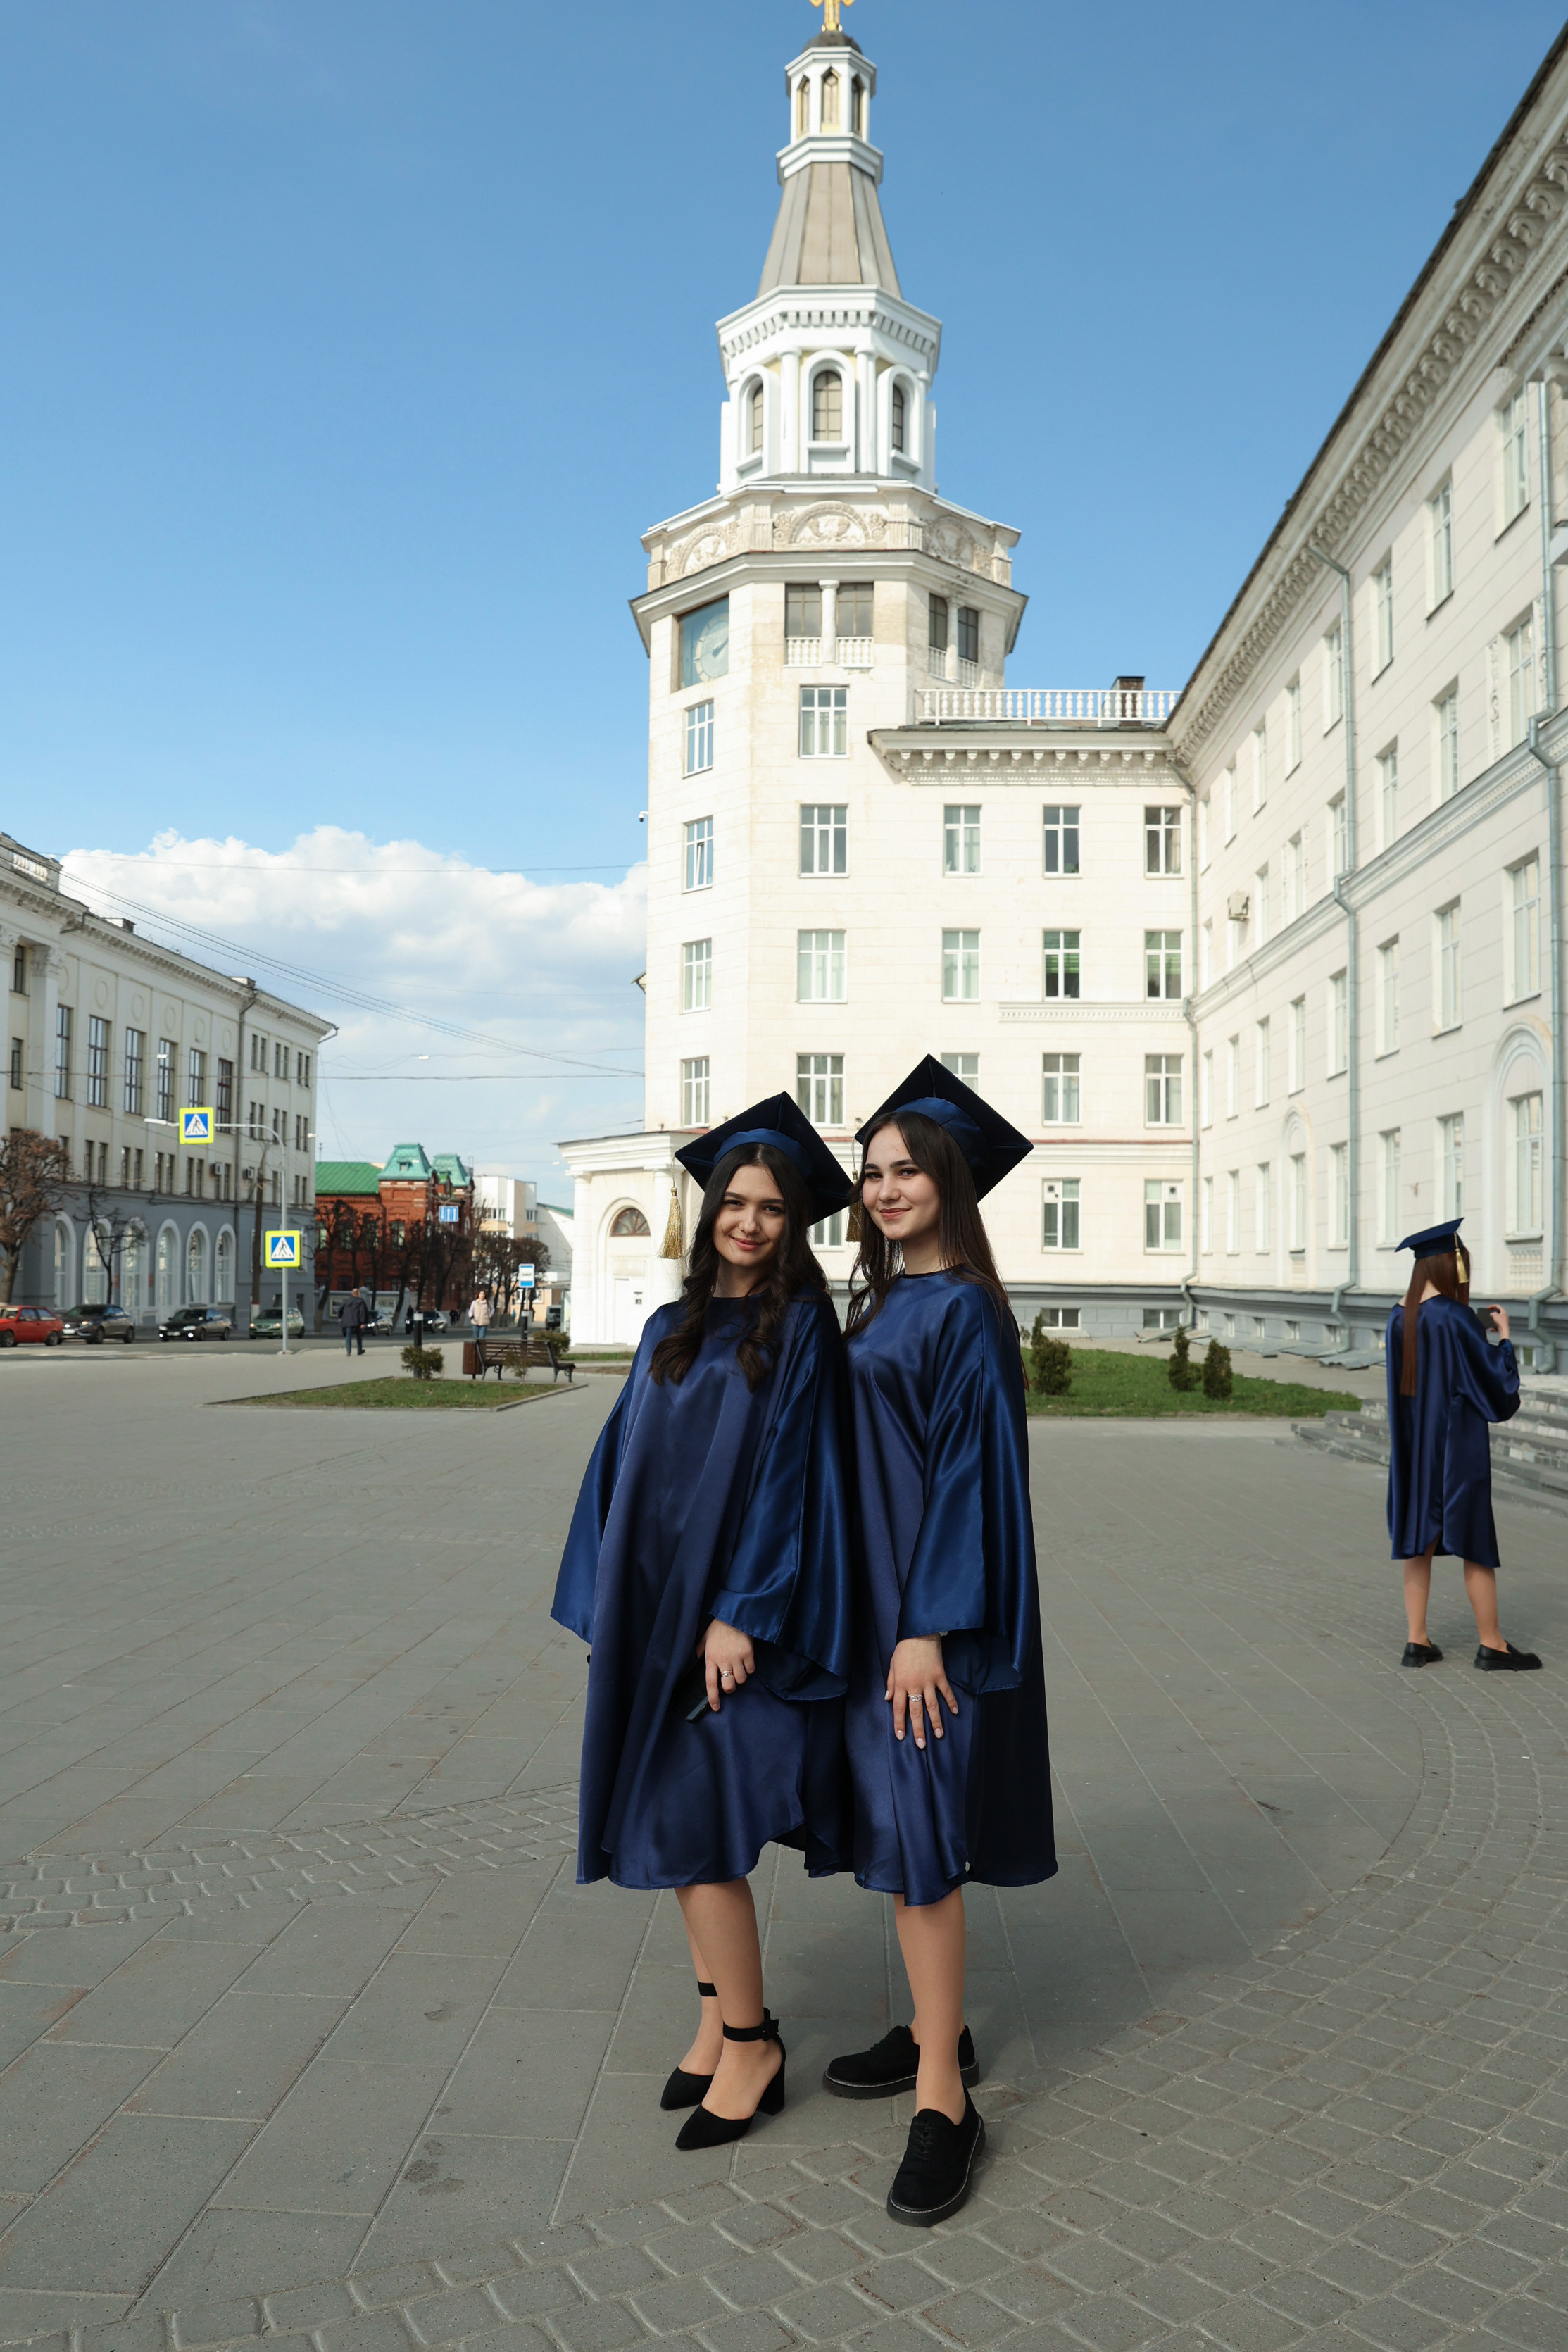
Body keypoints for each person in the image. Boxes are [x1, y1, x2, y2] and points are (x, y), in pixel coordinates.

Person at [552, 1095, 855, 2151]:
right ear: (709, 1209)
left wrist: (741, 1612)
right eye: (734, 1201)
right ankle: (710, 2023)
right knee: (667, 1820)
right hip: (653, 1615)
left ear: (795, 1223)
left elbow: (791, 1480)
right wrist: (608, 1597)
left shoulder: (803, 1330)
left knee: (694, 1827)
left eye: (773, 1208)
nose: (750, 1222)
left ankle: (754, 2041)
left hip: (729, 1626)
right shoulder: (665, 1327)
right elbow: (618, 1467)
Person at [824, 1057, 1055, 2227]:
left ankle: (943, 2104)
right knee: (896, 1826)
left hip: (927, 1619)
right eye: (870, 1172)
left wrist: (923, 1626)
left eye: (907, 1168)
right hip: (878, 1610)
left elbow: (969, 1476)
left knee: (919, 1840)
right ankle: (935, 2029)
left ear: (950, 1179)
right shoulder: (888, 1300)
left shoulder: (960, 1305)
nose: (883, 1187)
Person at [1388, 1218, 1539, 1672]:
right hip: (1457, 1447)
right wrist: (1505, 1338)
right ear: (1449, 1265)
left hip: (1415, 1448)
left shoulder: (1400, 1315)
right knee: (1474, 1539)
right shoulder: (1454, 1317)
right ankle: (1492, 1645)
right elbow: (1494, 1387)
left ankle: (1417, 1642)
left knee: (1419, 1541)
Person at [338, 1289, 368, 1358]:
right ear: (358, 1294)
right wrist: (363, 1322)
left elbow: (340, 1309)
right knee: (359, 1336)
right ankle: (359, 1351)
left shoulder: (347, 1301)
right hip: (357, 1321)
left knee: (348, 1336)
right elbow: (362, 1312)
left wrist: (340, 1317)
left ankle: (348, 1351)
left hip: (348, 1321)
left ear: (352, 1293)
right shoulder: (360, 1301)